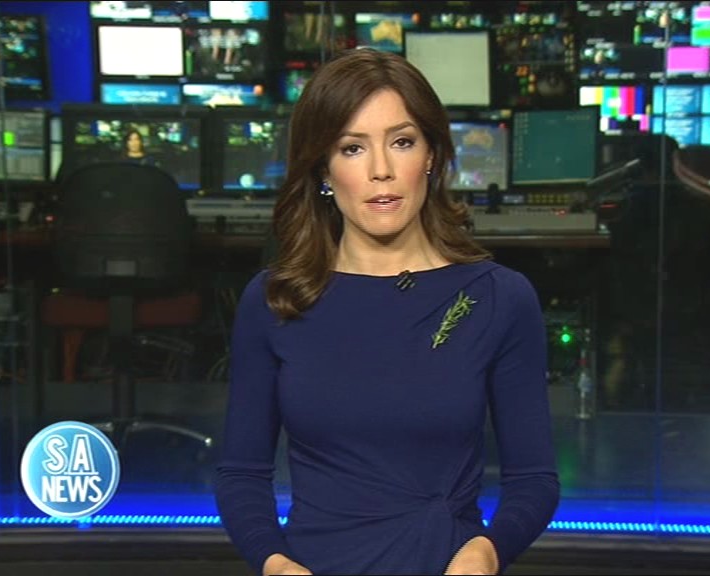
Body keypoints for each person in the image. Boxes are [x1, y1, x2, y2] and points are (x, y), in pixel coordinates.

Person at [214, 48, 560, 576]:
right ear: (324, 169)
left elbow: (534, 480)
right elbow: (241, 473)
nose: (381, 170)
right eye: (352, 148)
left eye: (402, 142)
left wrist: (485, 554)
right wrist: (276, 565)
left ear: (431, 155)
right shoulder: (275, 300)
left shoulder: (499, 297)